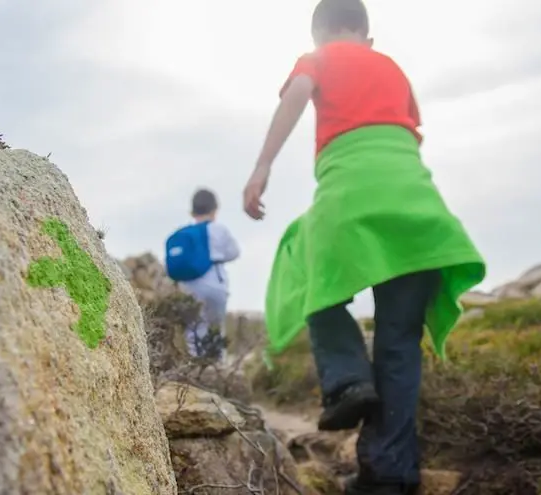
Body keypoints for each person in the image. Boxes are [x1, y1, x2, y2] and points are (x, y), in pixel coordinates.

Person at [242, 1, 487, 493]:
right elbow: (411, 136)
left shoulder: (319, 58)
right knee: (399, 344)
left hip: (350, 200)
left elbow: (298, 93)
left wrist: (262, 166)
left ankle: (348, 377)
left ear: (320, 36)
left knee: (309, 273)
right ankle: (389, 475)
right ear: (367, 36)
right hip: (416, 207)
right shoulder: (392, 67)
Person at [165, 188, 240, 360]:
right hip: (215, 286)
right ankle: (217, 369)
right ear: (215, 209)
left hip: (189, 286)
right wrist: (217, 256)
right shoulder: (218, 230)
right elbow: (235, 252)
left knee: (193, 330)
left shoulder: (183, 234)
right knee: (216, 330)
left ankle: (195, 368)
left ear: (192, 211)